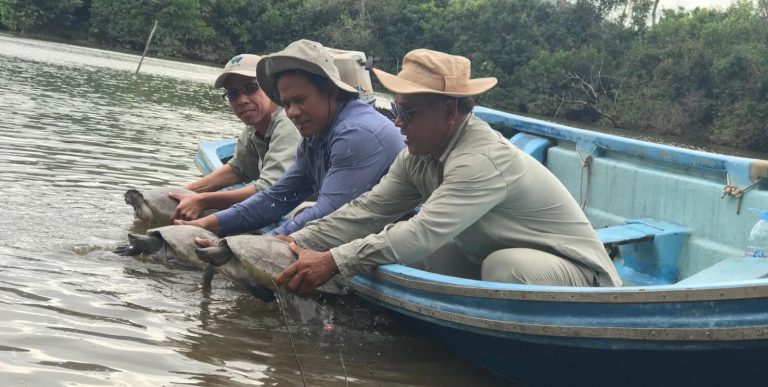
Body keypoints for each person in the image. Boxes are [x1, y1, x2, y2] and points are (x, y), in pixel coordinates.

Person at [274, 48, 623, 294]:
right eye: (396, 108)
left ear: (450, 111)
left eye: (409, 113)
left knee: (505, 267)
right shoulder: (417, 155)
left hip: (579, 275)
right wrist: (294, 241)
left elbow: (423, 230)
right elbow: (367, 211)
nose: (398, 122)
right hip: (492, 254)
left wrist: (334, 261)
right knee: (422, 251)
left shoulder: (480, 160)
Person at [176, 39, 404, 236]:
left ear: (331, 91)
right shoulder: (314, 137)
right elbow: (276, 198)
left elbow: (328, 213)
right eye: (286, 104)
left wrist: (248, 246)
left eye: (300, 100)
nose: (292, 112)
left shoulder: (357, 133)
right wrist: (205, 225)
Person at [170, 54, 301, 221]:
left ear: (271, 87)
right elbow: (238, 169)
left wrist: (203, 201)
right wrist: (183, 192)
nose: (242, 100)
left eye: (251, 88)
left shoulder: (288, 123)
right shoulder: (255, 125)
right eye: (233, 94)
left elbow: (270, 190)